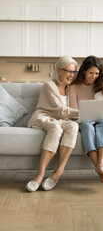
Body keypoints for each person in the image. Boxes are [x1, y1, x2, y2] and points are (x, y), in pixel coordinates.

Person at [26, 56, 79, 192]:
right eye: (69, 71)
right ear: (59, 71)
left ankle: (59, 172)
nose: (72, 75)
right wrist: (83, 112)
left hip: (62, 120)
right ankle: (40, 175)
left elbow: (66, 114)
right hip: (45, 116)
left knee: (74, 126)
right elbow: (60, 110)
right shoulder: (49, 85)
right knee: (55, 128)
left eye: (74, 72)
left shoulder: (70, 88)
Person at [69, 56, 103, 183]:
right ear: (84, 71)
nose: (94, 76)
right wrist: (86, 113)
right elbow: (72, 111)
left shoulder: (100, 86)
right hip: (83, 120)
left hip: (100, 119)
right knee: (88, 127)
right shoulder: (74, 87)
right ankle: (98, 167)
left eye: (96, 73)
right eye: (91, 73)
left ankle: (101, 165)